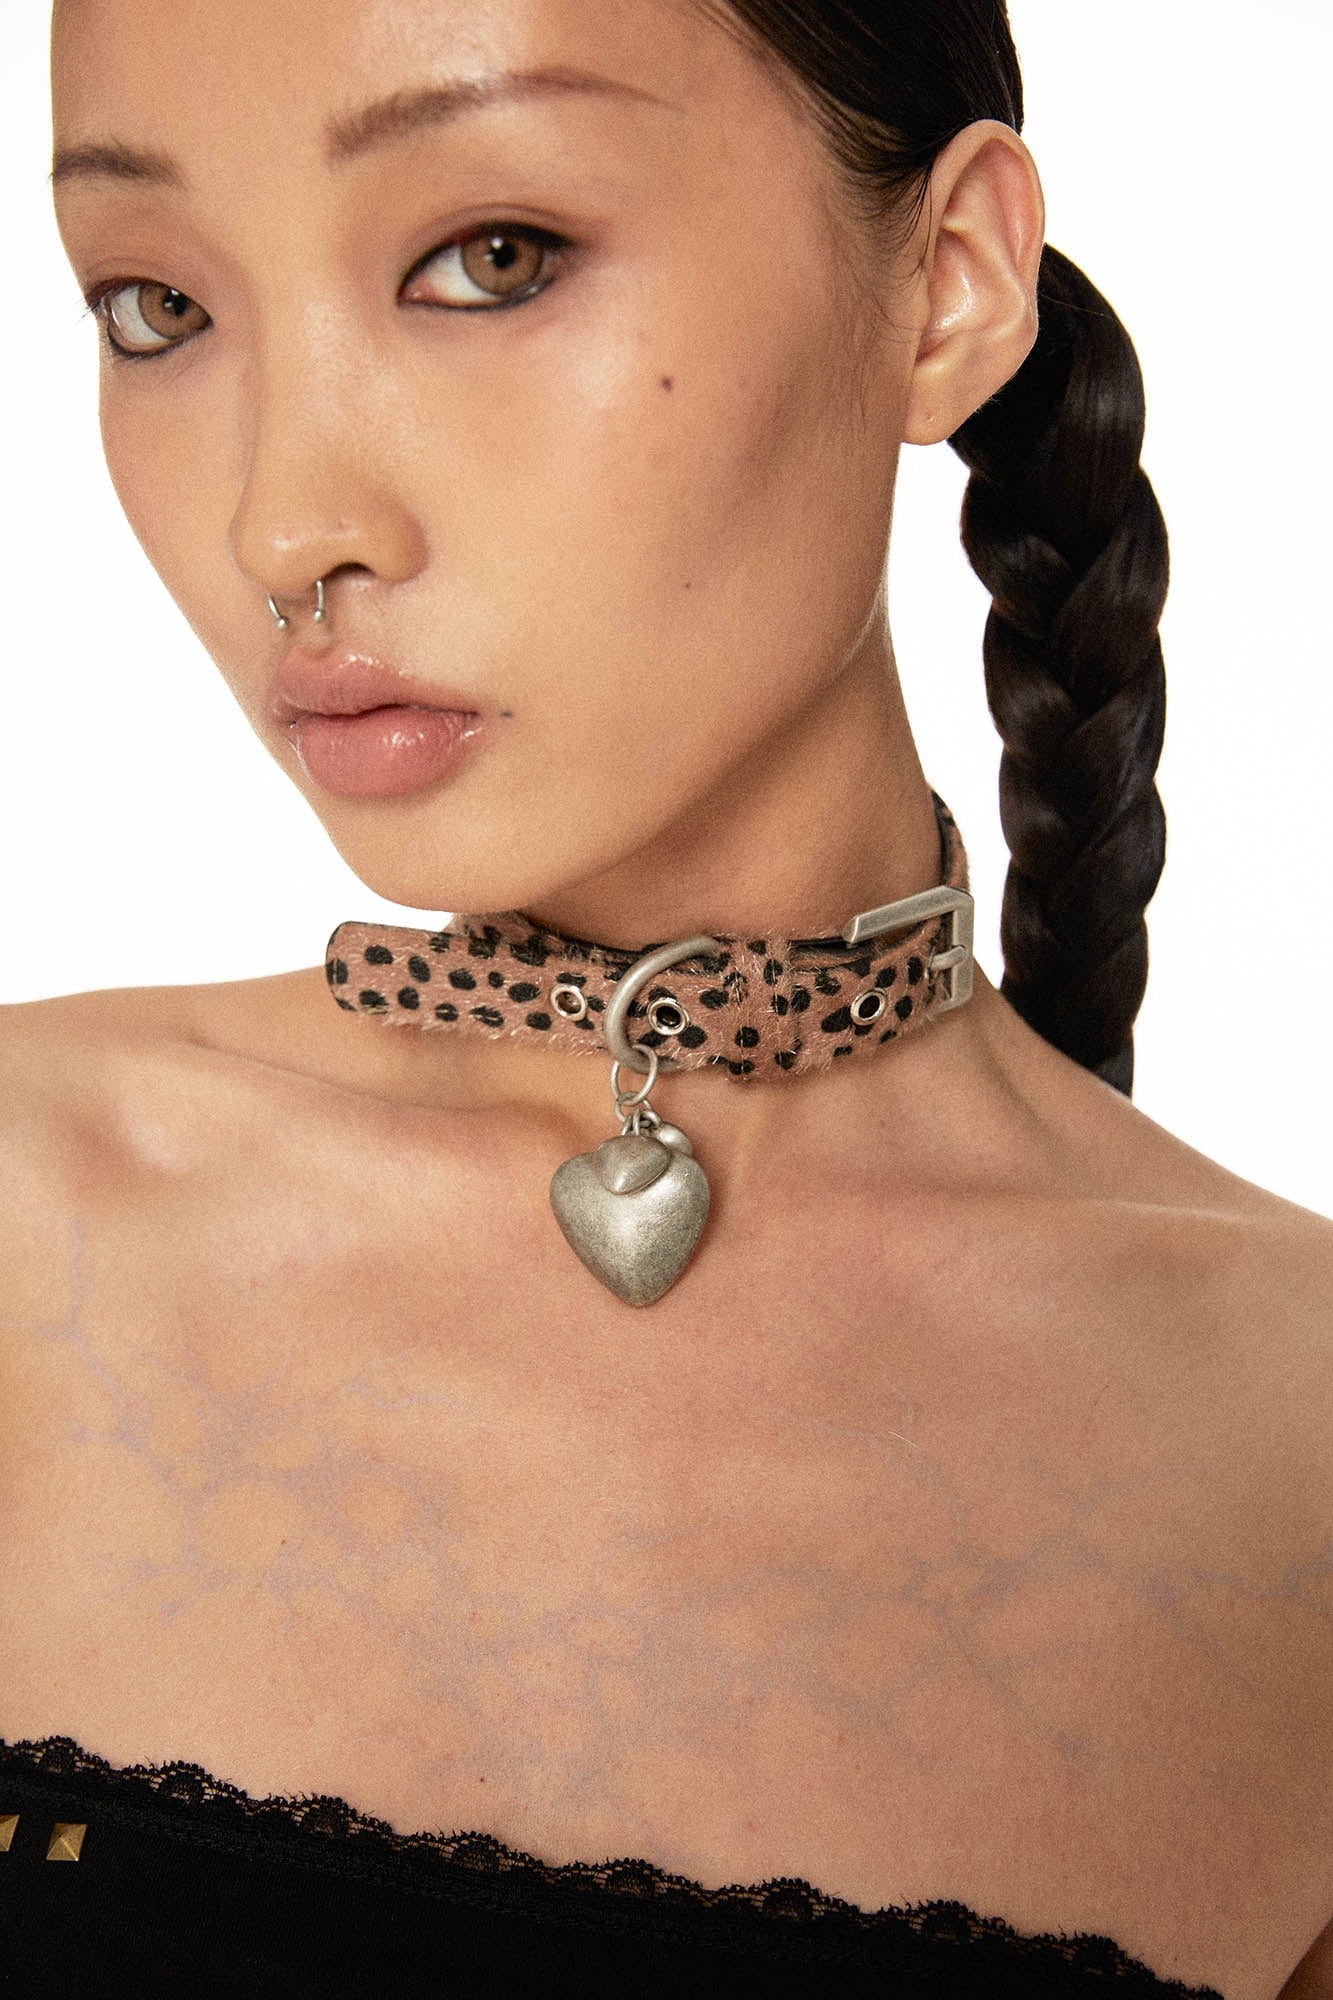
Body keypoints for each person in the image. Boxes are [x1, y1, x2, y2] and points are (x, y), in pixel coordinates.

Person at [1, 0, 1329, 1993]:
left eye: (493, 257)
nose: (286, 524)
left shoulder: (1293, 1461)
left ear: (948, 285)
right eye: (156, 308)